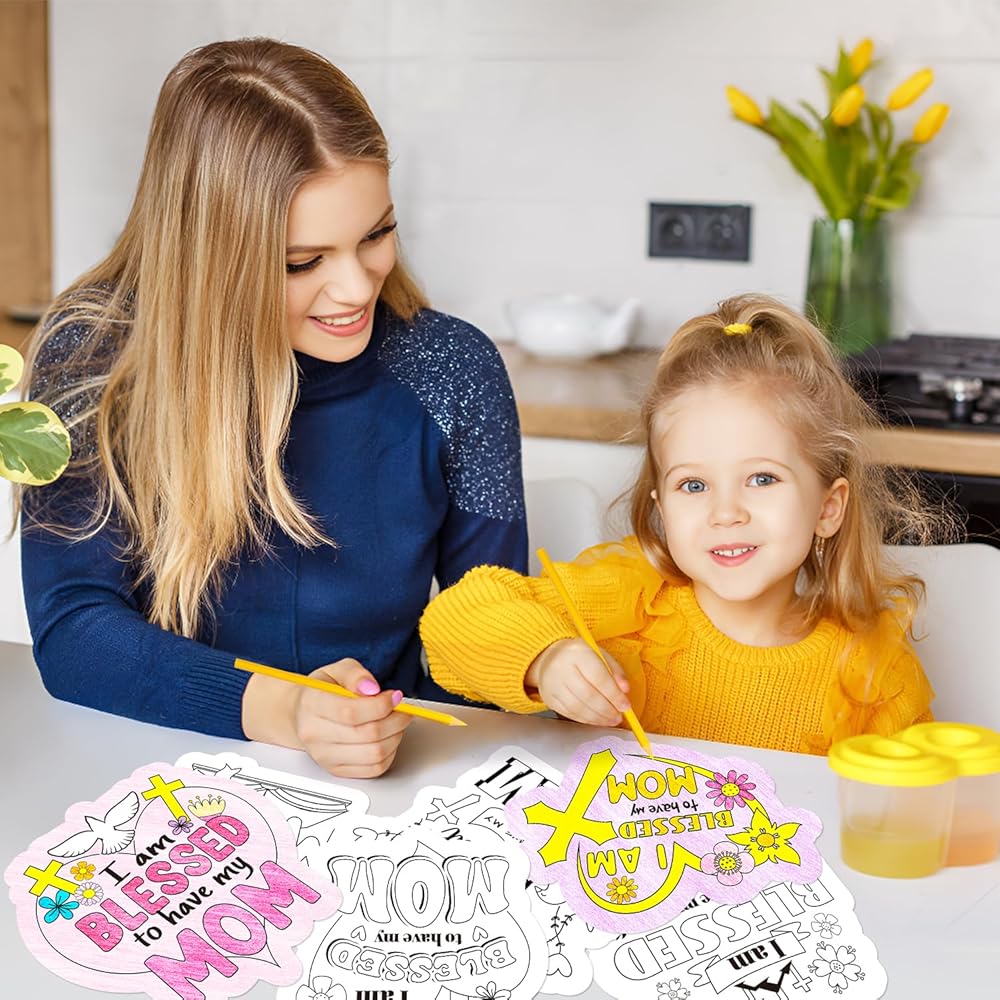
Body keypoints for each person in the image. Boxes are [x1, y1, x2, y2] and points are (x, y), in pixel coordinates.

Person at [18, 38, 527, 778]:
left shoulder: (455, 369)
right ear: (207, 257)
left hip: (389, 774)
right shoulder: (92, 358)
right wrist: (288, 712)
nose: (357, 288)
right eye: (302, 262)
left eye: (377, 234)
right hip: (157, 772)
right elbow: (75, 631)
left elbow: (489, 622)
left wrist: (525, 670)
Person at [421, 294, 954, 755]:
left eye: (762, 479)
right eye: (694, 486)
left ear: (827, 508)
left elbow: (916, 812)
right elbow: (452, 620)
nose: (725, 512)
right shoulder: (628, 600)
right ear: (662, 507)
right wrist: (546, 658)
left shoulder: (874, 671)